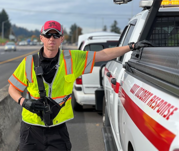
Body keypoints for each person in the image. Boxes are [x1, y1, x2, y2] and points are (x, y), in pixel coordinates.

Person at [8, 20, 153, 151]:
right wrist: (24, 102)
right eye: (47, 35)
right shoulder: (28, 62)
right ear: (41, 38)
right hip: (31, 130)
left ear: (61, 39)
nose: (51, 39)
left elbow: (103, 54)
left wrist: (131, 46)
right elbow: (13, 88)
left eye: (56, 35)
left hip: (57, 129)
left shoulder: (72, 58)